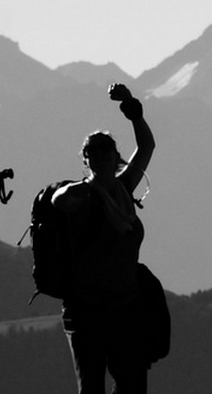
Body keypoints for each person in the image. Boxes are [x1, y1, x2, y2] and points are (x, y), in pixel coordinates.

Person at [50, 84, 160, 394]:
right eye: (91, 151)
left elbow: (148, 145)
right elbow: (58, 200)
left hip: (124, 306)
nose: (98, 154)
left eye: (104, 149)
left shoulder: (124, 188)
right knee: (93, 388)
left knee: (133, 387)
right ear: (84, 160)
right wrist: (82, 188)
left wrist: (131, 108)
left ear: (116, 157)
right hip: (87, 310)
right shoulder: (80, 194)